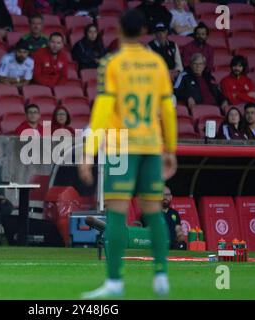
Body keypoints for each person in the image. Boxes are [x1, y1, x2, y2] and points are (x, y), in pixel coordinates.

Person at [78, 9, 177, 298]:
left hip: (121, 146)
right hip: (150, 145)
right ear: (144, 31)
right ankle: (160, 276)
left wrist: (88, 152)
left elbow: (103, 110)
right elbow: (167, 109)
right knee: (154, 212)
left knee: (117, 214)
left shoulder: (111, 63)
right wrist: (170, 148)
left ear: (119, 31)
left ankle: (114, 282)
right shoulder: (157, 63)